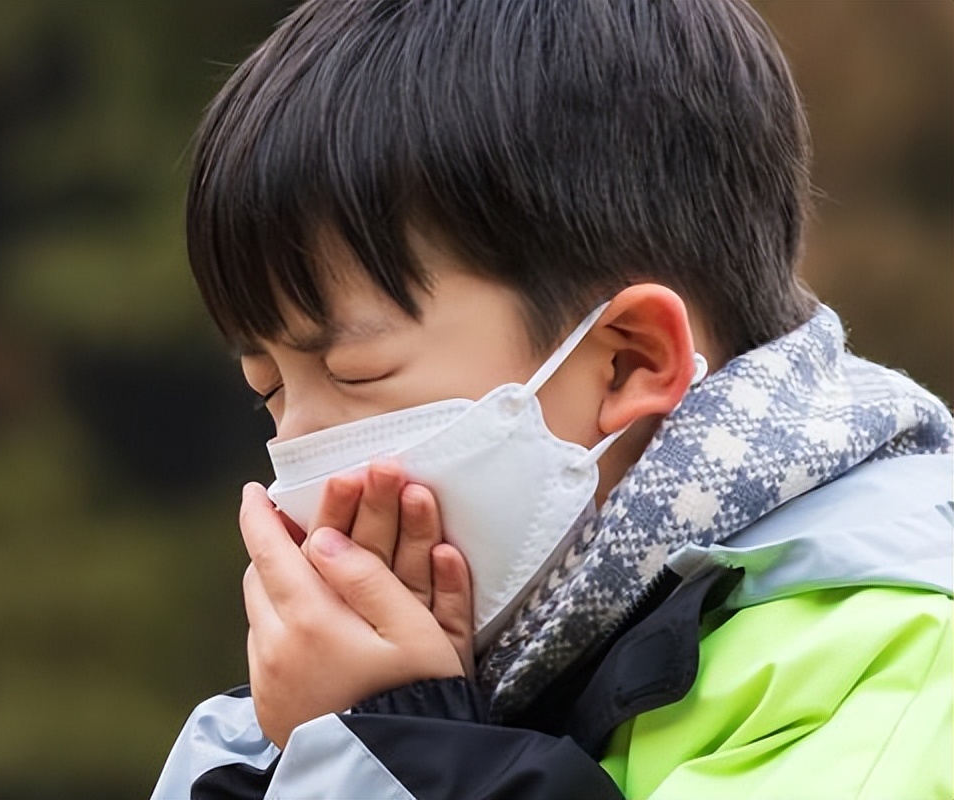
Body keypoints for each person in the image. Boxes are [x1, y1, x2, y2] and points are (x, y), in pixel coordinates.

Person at [152, 0, 954, 797]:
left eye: (358, 373)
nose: (302, 476)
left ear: (628, 362)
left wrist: (400, 751)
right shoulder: (289, 721)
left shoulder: (890, 659)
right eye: (269, 393)